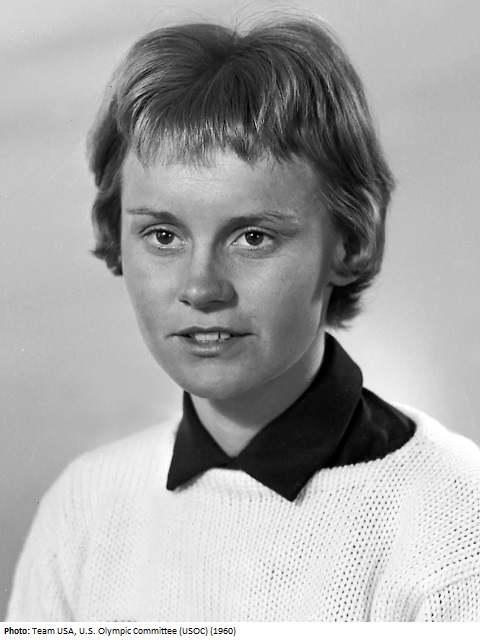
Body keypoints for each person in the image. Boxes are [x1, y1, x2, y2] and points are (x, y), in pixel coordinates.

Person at [7, 15, 480, 622]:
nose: (201, 288)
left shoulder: (454, 526)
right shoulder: (83, 509)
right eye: (163, 235)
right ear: (116, 235)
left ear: (350, 242)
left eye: (253, 237)